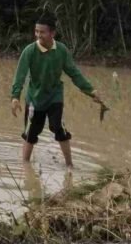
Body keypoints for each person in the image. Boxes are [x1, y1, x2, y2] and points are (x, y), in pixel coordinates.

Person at [11, 16, 102, 169]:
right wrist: (15, 97)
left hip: (55, 96)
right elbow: (20, 75)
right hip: (35, 98)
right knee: (30, 133)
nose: (39, 35)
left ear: (52, 33)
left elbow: (74, 73)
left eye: (42, 32)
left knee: (59, 128)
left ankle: (70, 165)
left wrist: (91, 91)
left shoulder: (61, 50)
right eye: (36, 31)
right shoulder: (30, 51)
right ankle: (25, 167)